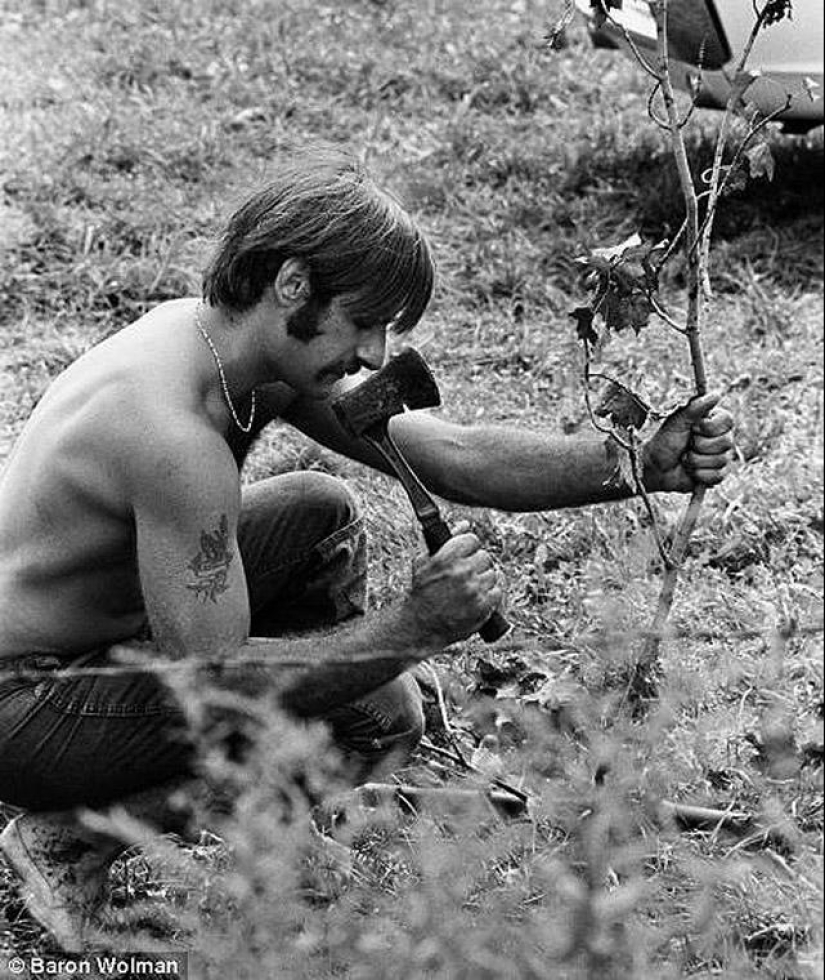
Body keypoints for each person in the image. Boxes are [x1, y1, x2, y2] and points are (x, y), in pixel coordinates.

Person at [0, 148, 734, 950]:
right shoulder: (172, 435)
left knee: (319, 509)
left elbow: (451, 454)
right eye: (367, 322)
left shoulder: (233, 347)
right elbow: (211, 681)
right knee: (378, 716)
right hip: (24, 703)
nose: (380, 354)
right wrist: (411, 630)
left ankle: (271, 809)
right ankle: (75, 839)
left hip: (98, 637)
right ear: (291, 285)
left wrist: (634, 465)